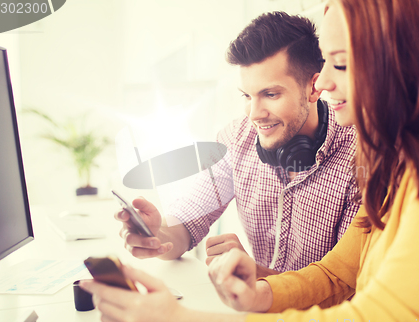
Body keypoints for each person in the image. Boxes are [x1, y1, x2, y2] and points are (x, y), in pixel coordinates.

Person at [81, 0, 419, 322]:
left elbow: (381, 320)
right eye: (327, 62)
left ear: (401, 60)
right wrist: (262, 292)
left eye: (340, 63)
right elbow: (339, 276)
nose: (325, 81)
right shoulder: (393, 151)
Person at [117, 11, 359, 277]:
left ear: (314, 88)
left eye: (270, 94)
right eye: (247, 95)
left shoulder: (361, 157)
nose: (254, 114)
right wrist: (156, 235)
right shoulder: (236, 138)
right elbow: (185, 227)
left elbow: (346, 287)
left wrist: (255, 274)